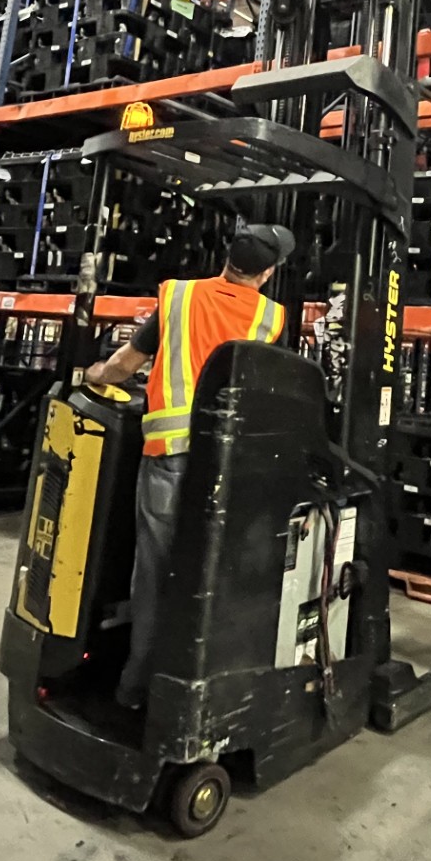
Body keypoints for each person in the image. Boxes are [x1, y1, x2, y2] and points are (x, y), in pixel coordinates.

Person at [85, 223, 295, 708]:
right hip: (228, 465)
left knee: (156, 574)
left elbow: (125, 364)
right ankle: (202, 687)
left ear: (226, 258)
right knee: (219, 571)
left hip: (168, 459)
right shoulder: (271, 317)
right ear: (266, 273)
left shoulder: (178, 297)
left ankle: (137, 687)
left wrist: (94, 375)